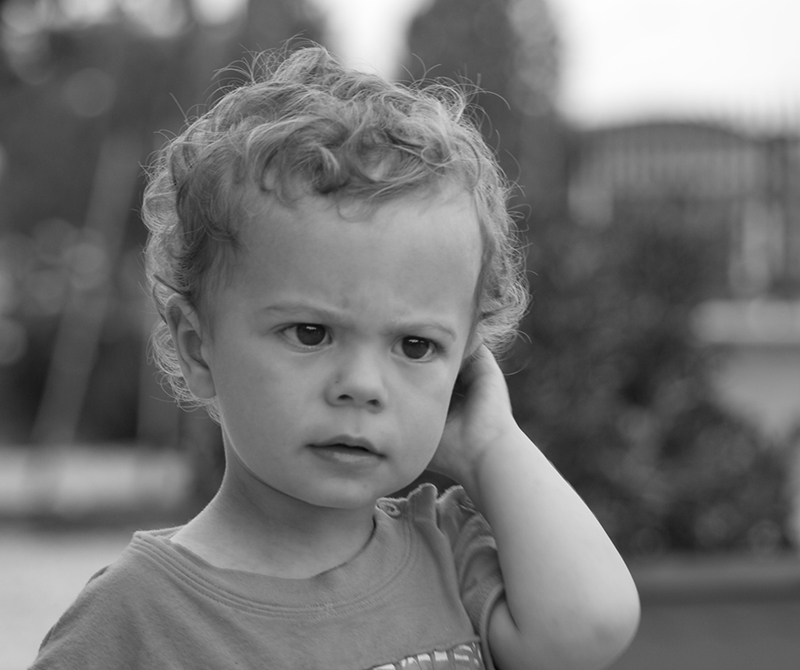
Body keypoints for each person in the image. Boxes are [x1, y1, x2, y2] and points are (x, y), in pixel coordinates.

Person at [31, 45, 639, 670]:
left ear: (464, 364)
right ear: (197, 347)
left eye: (416, 346)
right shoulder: (133, 619)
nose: (362, 385)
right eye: (310, 333)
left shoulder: (450, 556)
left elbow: (591, 629)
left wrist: (489, 445)